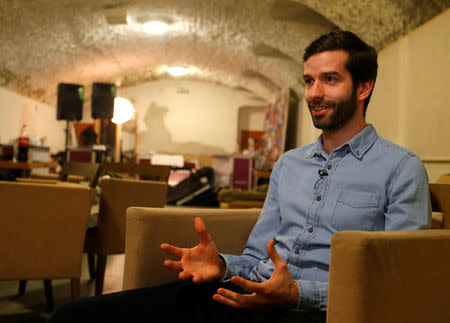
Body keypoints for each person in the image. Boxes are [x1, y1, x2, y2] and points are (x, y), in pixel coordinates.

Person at [49, 31, 430, 323]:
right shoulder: (289, 165)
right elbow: (255, 256)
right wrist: (223, 266)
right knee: (76, 317)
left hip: (321, 313)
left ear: (364, 87)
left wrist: (298, 294)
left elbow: (397, 283)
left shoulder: (400, 169)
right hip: (243, 296)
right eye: (309, 81)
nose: (315, 92)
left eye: (330, 79)